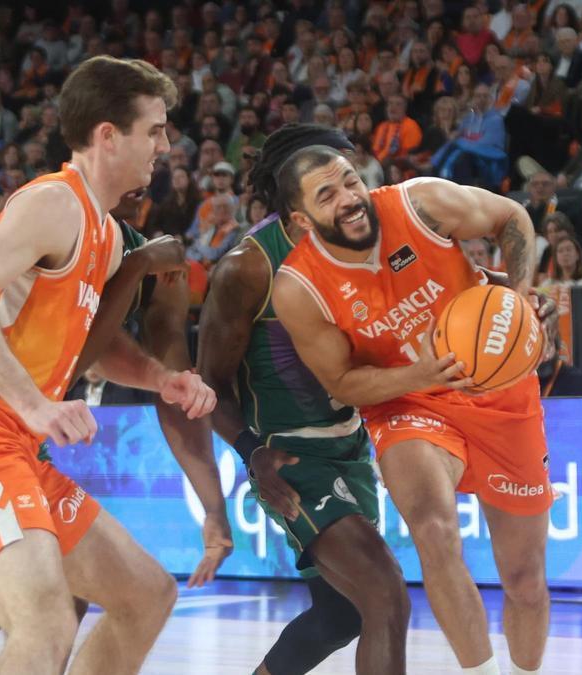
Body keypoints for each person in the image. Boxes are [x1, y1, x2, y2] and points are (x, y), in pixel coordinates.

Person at [0, 57, 218, 674]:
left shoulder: (110, 233)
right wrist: (35, 404)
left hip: (10, 440)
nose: (165, 144)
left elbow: (90, 342)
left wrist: (159, 378)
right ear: (106, 135)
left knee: (147, 595)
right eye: (153, 129)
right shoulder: (54, 204)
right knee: (40, 624)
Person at [271, 145, 553, 674]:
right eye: (328, 195)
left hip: (499, 391)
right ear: (301, 221)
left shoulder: (421, 203)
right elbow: (344, 382)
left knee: (525, 581)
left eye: (351, 182)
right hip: (407, 399)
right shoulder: (299, 288)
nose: (350, 199)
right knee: (432, 527)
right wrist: (420, 375)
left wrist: (517, 295)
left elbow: (510, 217)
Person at [199, 125, 410, 675]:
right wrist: (250, 450)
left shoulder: (364, 240)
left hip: (350, 448)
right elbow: (207, 388)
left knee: (341, 616)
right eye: (330, 182)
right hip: (291, 458)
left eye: (350, 178)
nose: (351, 193)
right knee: (387, 597)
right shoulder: (248, 267)